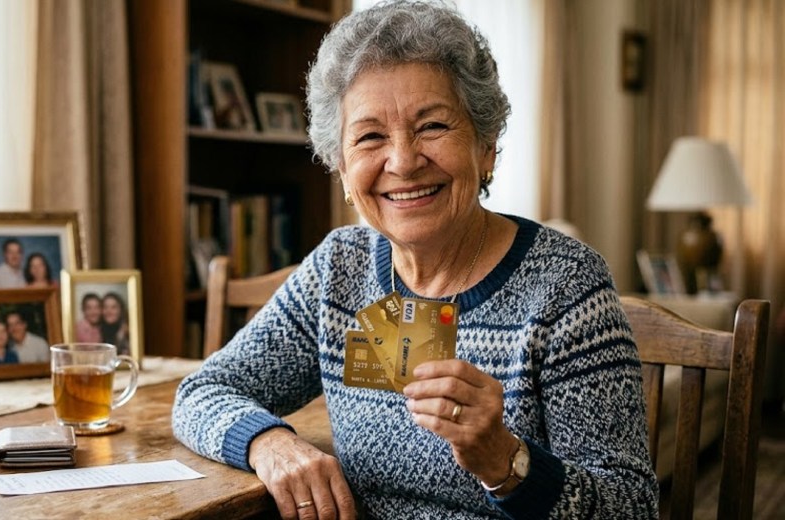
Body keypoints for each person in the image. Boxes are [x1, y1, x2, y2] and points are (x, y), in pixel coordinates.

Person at [172, 2, 658, 519]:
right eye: (370, 136)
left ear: (487, 147)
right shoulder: (340, 267)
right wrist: (269, 443)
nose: (402, 161)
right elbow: (203, 391)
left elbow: (630, 508)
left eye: (431, 127)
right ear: (341, 166)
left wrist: (505, 461)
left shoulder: (566, 286)